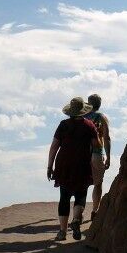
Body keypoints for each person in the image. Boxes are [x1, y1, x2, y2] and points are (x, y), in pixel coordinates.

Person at [47, 96, 99, 241]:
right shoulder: (89, 125)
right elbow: (97, 145)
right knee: (81, 195)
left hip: (64, 164)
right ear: (83, 111)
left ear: (70, 111)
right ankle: (76, 220)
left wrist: (50, 166)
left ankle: (62, 232)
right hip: (82, 164)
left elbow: (54, 147)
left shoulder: (63, 125)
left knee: (64, 197)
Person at [85, 93, 111, 218]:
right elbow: (106, 138)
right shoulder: (101, 117)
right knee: (98, 183)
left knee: (82, 183)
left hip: (83, 154)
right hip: (97, 153)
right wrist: (109, 157)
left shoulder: (82, 118)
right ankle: (95, 210)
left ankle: (78, 213)